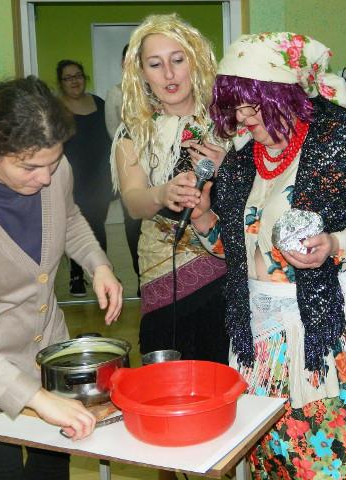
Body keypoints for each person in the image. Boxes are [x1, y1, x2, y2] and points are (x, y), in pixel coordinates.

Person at [190, 33, 346, 479]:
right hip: (265, 336)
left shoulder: (342, 139)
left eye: (252, 106)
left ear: (284, 95)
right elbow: (239, 253)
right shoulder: (243, 159)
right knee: (276, 455)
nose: (242, 118)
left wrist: (334, 245)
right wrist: (203, 219)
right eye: (235, 107)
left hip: (330, 334)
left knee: (329, 460)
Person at [0, 76, 123, 479]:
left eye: (53, 162)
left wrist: (98, 263)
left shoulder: (53, 167)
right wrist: (36, 398)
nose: (46, 178)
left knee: (51, 470)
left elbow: (68, 217)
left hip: (48, 359)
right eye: (29, 167)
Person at [110, 14, 229, 365]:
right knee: (168, 373)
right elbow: (133, 202)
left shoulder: (229, 124)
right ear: (141, 73)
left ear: (195, 61)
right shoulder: (133, 133)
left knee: (225, 371)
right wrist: (161, 194)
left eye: (178, 60)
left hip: (227, 267)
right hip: (162, 272)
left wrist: (228, 165)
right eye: (155, 64)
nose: (168, 73)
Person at [57, 59, 113, 297]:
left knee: (97, 224)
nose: (74, 81)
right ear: (61, 83)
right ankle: (77, 276)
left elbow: (111, 135)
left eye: (78, 75)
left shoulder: (99, 103)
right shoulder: (57, 109)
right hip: (71, 177)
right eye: (68, 78)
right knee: (75, 225)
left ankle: (102, 273)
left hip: (99, 176)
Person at [105, 44, 143, 296]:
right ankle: (141, 276)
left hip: (159, 171)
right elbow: (113, 132)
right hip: (129, 166)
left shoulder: (157, 91)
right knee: (133, 225)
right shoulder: (116, 93)